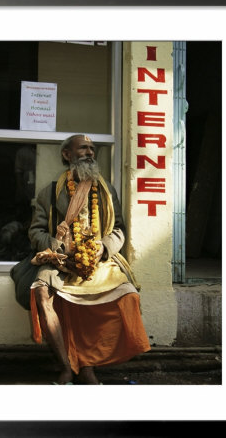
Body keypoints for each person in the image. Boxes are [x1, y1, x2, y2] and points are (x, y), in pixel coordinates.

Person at [28, 134, 151, 384]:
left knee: (127, 295)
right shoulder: (49, 192)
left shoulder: (107, 191)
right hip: (60, 260)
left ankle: (87, 365)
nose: (90, 152)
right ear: (67, 155)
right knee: (42, 291)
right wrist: (58, 247)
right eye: (83, 148)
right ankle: (65, 366)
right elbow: (35, 231)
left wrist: (103, 248)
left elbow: (119, 230)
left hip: (100, 260)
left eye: (93, 149)